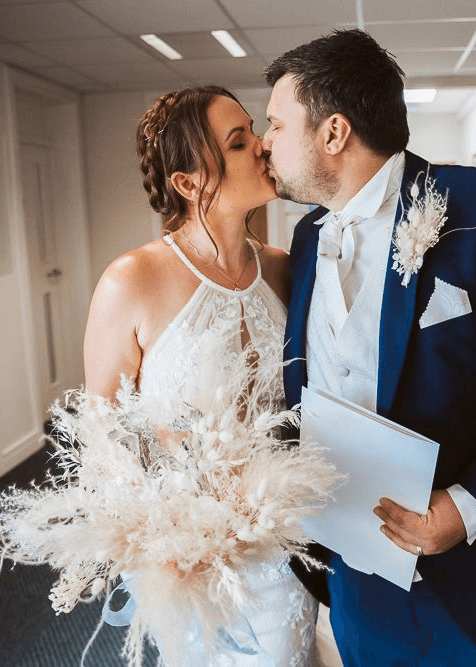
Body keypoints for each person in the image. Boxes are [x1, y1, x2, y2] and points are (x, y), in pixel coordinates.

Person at [263, 30, 476, 667]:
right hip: (360, 575)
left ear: (332, 132)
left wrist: (465, 508)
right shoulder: (308, 238)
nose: (265, 143)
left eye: (276, 125)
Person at [82, 85, 318, 666]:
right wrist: (164, 534)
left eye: (254, 132)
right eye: (239, 143)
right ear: (188, 183)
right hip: (189, 557)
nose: (262, 146)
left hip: (282, 549)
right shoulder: (133, 279)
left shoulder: (286, 269)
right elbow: (103, 433)